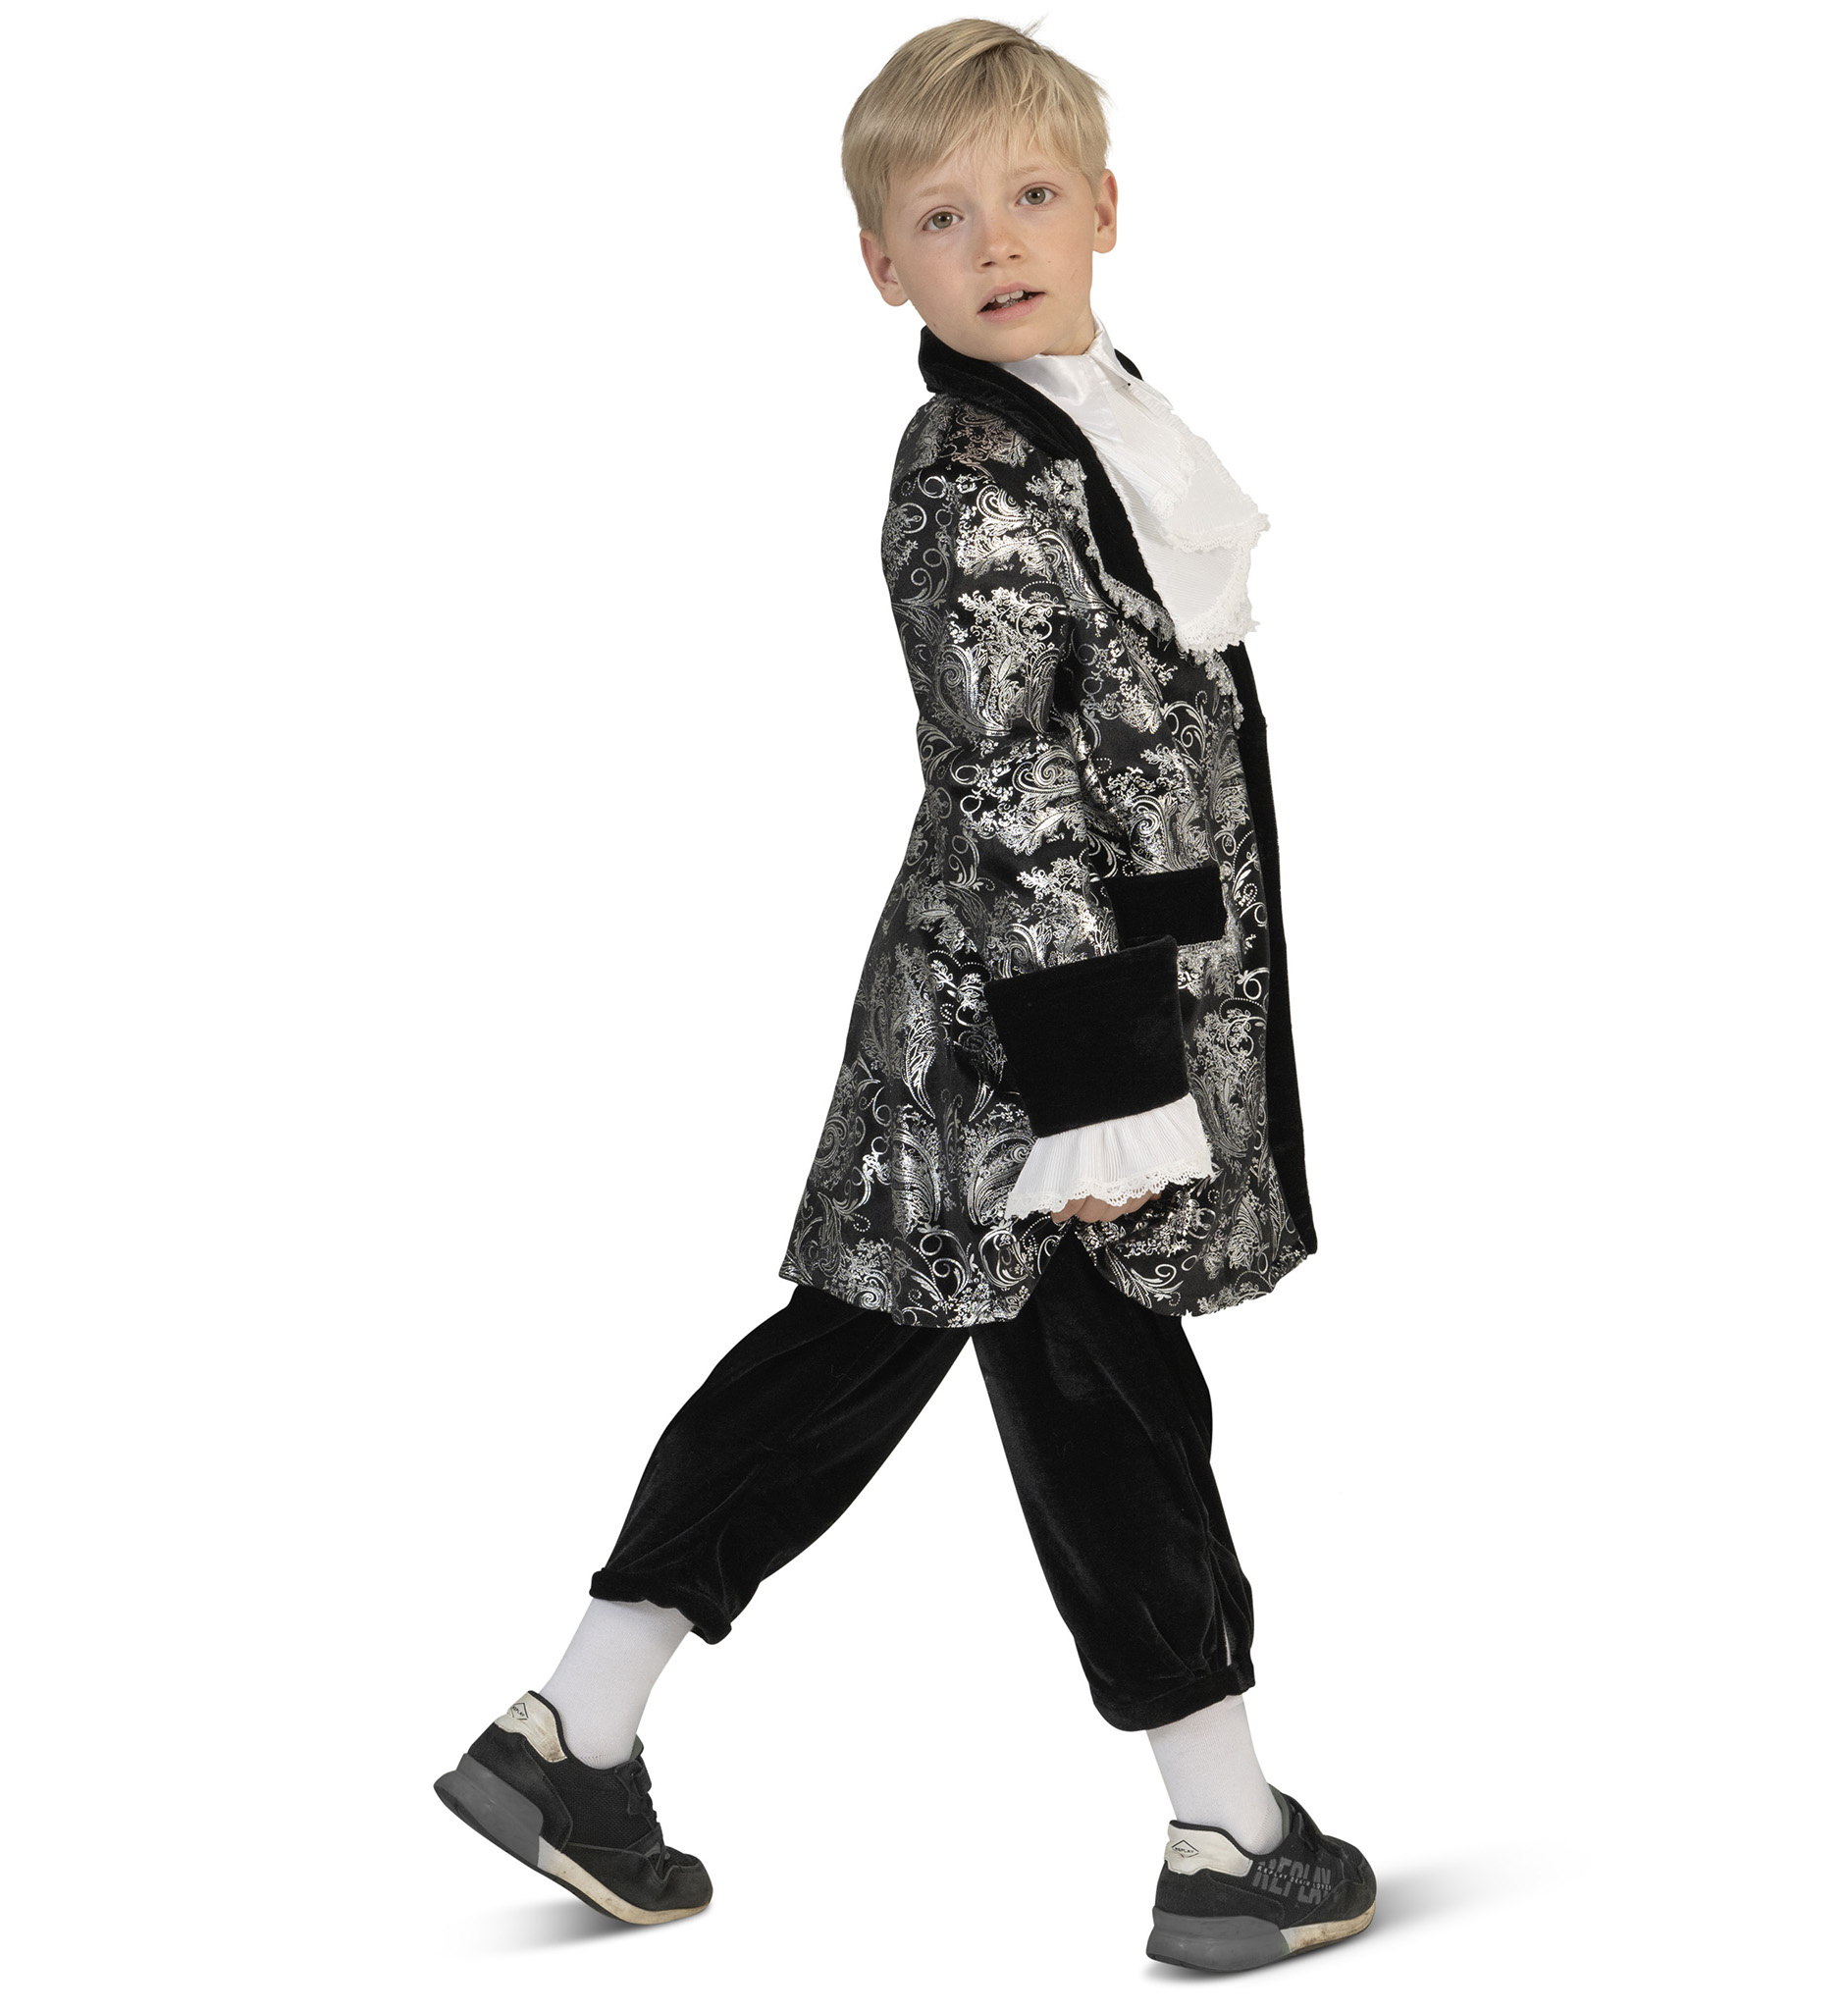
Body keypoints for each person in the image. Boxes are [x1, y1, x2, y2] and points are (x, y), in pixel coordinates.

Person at [434, 20, 1376, 1972]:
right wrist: (1107, 1093)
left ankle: (575, 1734)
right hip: (1029, 1050)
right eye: (942, 217)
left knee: (890, 1380)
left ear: (1104, 208)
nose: (995, 239)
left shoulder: (1092, 416)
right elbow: (1009, 781)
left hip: (1041, 1029)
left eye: (1029, 195)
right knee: (1084, 1402)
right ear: (882, 264)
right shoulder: (973, 478)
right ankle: (1224, 1834)